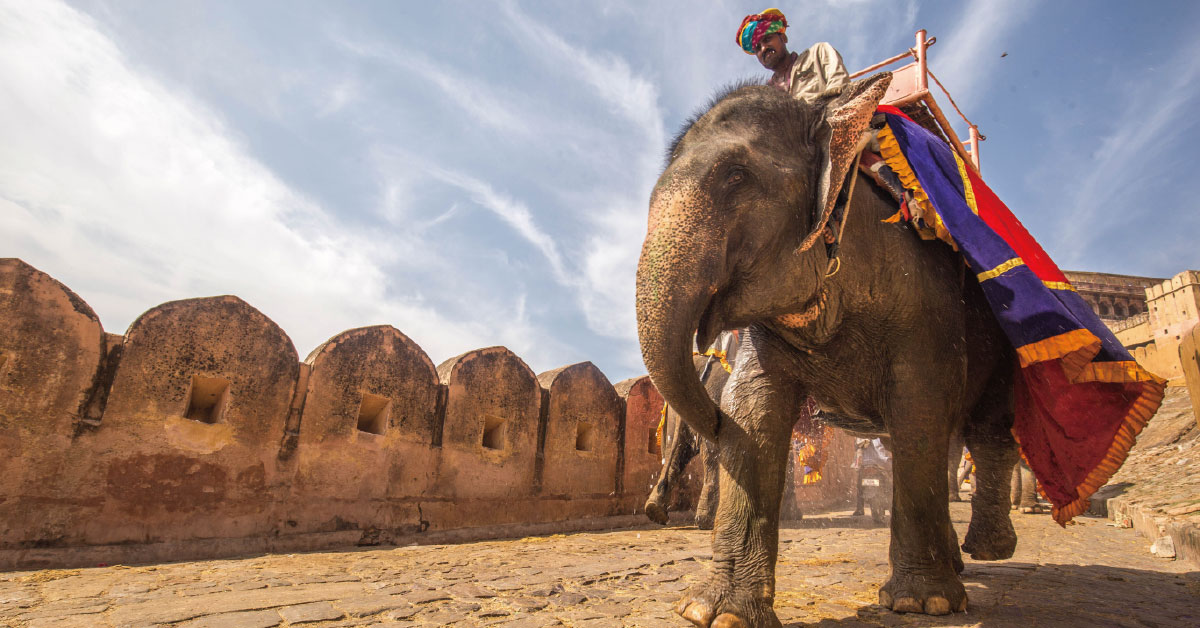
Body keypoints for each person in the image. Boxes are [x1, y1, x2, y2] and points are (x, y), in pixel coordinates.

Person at [737, 8, 849, 104]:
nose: (763, 48)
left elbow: (839, 86)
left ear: (783, 38)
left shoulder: (817, 53)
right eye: (757, 48)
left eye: (767, 39)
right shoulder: (766, 94)